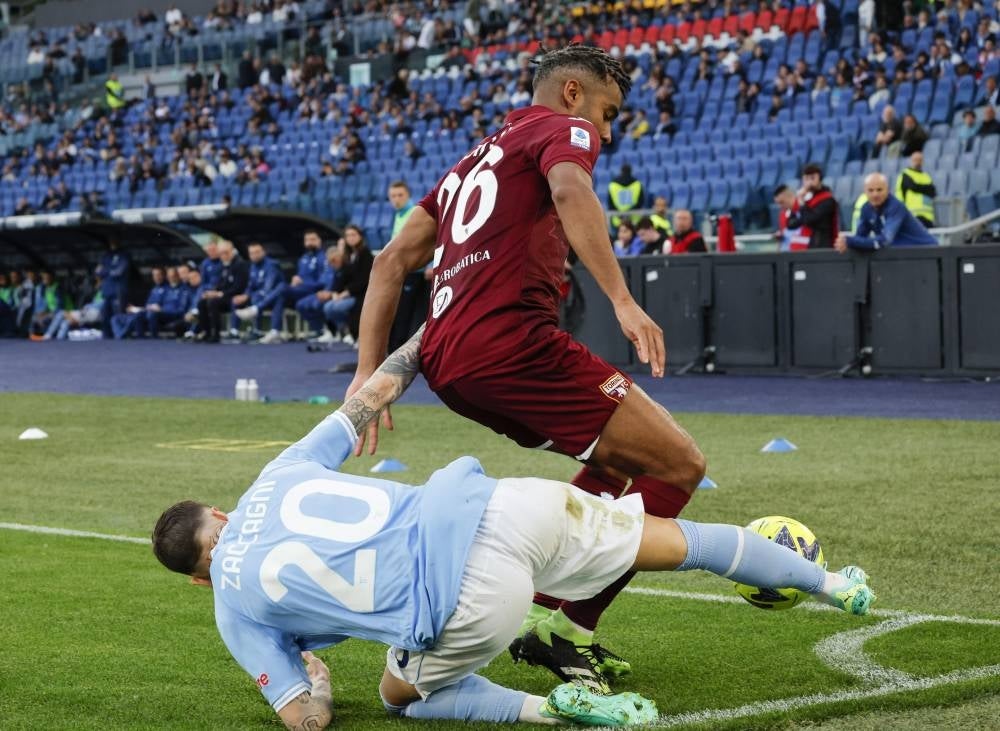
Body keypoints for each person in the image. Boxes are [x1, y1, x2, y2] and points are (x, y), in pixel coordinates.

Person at [152, 327, 876, 729]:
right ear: (220, 511)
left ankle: (557, 706)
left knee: (397, 696)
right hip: (500, 503)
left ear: (195, 573)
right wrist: (433, 329)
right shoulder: (276, 473)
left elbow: (305, 722)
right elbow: (374, 390)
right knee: (677, 543)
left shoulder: (229, 604)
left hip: (465, 601)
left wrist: (314, 681)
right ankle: (830, 579)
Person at [349, 45, 707, 691]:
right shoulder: (560, 129)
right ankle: (564, 628)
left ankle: (544, 613)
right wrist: (622, 299)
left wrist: (364, 376)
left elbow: (387, 263)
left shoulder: (467, 165)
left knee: (615, 463)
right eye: (606, 112)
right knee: (680, 464)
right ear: (572, 94)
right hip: (513, 345)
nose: (604, 131)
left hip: (450, 367)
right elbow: (571, 187)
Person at [836, 173, 938, 252]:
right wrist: (846, 243)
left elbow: (885, 241)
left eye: (879, 190)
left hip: (927, 252)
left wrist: (850, 241)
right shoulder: (866, 208)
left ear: (887, 190)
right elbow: (860, 237)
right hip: (904, 256)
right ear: (865, 191)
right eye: (870, 190)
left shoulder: (896, 207)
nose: (875, 194)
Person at [385, 181, 430, 353]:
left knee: (407, 314)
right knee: (399, 312)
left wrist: (432, 264)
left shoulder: (415, 213)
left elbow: (432, 238)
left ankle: (400, 352)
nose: (396, 199)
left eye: (400, 195)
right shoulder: (398, 215)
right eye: (393, 196)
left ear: (408, 195)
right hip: (402, 271)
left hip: (416, 271)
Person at [323, 225, 372, 344]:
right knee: (328, 307)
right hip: (349, 293)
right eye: (348, 235)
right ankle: (343, 330)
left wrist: (345, 293)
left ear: (360, 236)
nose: (350, 238)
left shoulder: (365, 254)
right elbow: (342, 276)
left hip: (361, 294)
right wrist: (335, 292)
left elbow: (363, 280)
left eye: (353, 235)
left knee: (336, 307)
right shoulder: (349, 255)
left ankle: (352, 332)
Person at [232, 242, 287, 344]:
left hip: (276, 295)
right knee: (239, 299)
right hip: (261, 297)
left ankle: (274, 331)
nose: (255, 255)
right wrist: (246, 295)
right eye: (252, 253)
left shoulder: (272, 264)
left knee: (278, 295)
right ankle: (253, 330)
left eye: (257, 252)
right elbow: (251, 285)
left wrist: (257, 294)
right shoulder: (253, 266)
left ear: (263, 252)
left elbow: (269, 286)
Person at [197, 241, 249, 343]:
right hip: (225, 297)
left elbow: (239, 287)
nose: (223, 256)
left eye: (226, 252)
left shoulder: (240, 264)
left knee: (212, 302)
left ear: (232, 251)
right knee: (202, 302)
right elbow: (221, 284)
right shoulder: (224, 265)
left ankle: (216, 334)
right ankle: (206, 333)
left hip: (236, 297)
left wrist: (219, 294)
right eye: (221, 253)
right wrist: (212, 292)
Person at [786, 163, 839, 249]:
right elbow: (790, 224)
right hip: (806, 246)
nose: (809, 182)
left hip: (823, 246)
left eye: (812, 178)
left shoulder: (828, 200)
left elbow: (809, 220)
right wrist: (799, 203)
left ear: (820, 179)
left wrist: (801, 202)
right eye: (806, 179)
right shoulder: (805, 199)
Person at [296, 246, 343, 342]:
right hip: (323, 291)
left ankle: (335, 330)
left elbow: (342, 286)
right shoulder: (329, 268)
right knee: (300, 304)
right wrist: (322, 291)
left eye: (333, 260)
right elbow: (323, 282)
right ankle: (320, 330)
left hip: (338, 294)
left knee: (319, 304)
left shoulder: (344, 269)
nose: (331, 262)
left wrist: (330, 293)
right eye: (329, 260)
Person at [111, 267, 166, 339]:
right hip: (143, 311)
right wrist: (134, 308)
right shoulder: (154, 289)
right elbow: (147, 305)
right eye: (154, 275)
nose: (156, 277)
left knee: (137, 316)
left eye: (158, 275)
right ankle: (120, 335)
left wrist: (158, 308)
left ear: (163, 276)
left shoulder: (166, 288)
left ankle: (124, 335)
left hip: (151, 313)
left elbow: (161, 306)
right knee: (115, 318)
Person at [283, 229, 326, 320]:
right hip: (300, 291)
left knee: (282, 288)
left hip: (315, 290)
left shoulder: (324, 258)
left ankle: (275, 328)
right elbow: (300, 276)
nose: (309, 243)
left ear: (319, 241)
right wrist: (295, 280)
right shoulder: (303, 258)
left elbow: (323, 282)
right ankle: (276, 328)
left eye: (312, 239)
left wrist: (303, 283)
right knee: (280, 294)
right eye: (307, 240)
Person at [95, 239, 130, 338]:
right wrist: (109, 271)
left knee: (117, 316)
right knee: (105, 316)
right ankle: (106, 337)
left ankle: (120, 336)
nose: (113, 243)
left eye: (114, 240)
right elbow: (97, 271)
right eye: (111, 241)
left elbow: (119, 272)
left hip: (118, 291)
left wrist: (105, 271)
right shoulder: (106, 255)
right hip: (106, 291)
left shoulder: (124, 255)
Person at [894, 151, 936, 228]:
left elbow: (933, 192)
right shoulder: (905, 174)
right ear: (911, 161)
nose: (918, 162)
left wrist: (918, 187)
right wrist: (925, 188)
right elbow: (913, 187)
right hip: (912, 215)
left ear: (923, 162)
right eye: (915, 160)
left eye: (920, 160)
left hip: (928, 217)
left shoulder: (926, 176)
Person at [773, 185, 809, 251]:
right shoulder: (783, 214)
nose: (780, 206)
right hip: (786, 255)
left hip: (803, 254)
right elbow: (782, 238)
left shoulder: (806, 209)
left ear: (790, 197)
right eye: (777, 203)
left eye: (781, 202)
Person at [607, 163, 644, 228]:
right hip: (634, 220)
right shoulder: (638, 184)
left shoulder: (612, 185)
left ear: (621, 171)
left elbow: (610, 205)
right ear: (631, 171)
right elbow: (640, 202)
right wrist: (628, 214)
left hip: (617, 220)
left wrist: (621, 215)